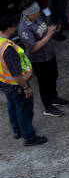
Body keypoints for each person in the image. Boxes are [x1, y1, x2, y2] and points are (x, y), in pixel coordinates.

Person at [17, 3, 69, 116]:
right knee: (44, 83)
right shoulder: (24, 29)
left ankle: (54, 98)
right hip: (39, 61)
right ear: (28, 14)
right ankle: (47, 107)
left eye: (37, 11)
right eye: (35, 12)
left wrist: (53, 30)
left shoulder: (37, 17)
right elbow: (34, 48)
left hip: (49, 55)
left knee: (53, 76)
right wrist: (48, 35)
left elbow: (44, 30)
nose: (38, 13)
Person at [2, 14, 47, 146]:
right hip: (16, 85)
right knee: (24, 110)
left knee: (12, 106)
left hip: (4, 83)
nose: (15, 29)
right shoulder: (8, 48)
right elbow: (16, 73)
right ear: (9, 28)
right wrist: (25, 87)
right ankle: (29, 137)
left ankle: (17, 131)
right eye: (14, 27)